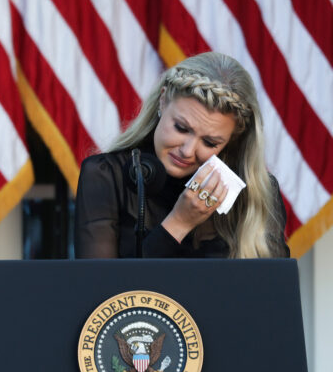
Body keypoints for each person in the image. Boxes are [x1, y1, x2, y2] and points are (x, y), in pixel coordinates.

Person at [74, 52, 289, 259]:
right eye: (181, 128)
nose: (187, 151)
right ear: (163, 101)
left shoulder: (257, 192)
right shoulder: (105, 176)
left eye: (209, 142)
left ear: (231, 140)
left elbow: (273, 292)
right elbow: (103, 292)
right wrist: (179, 223)